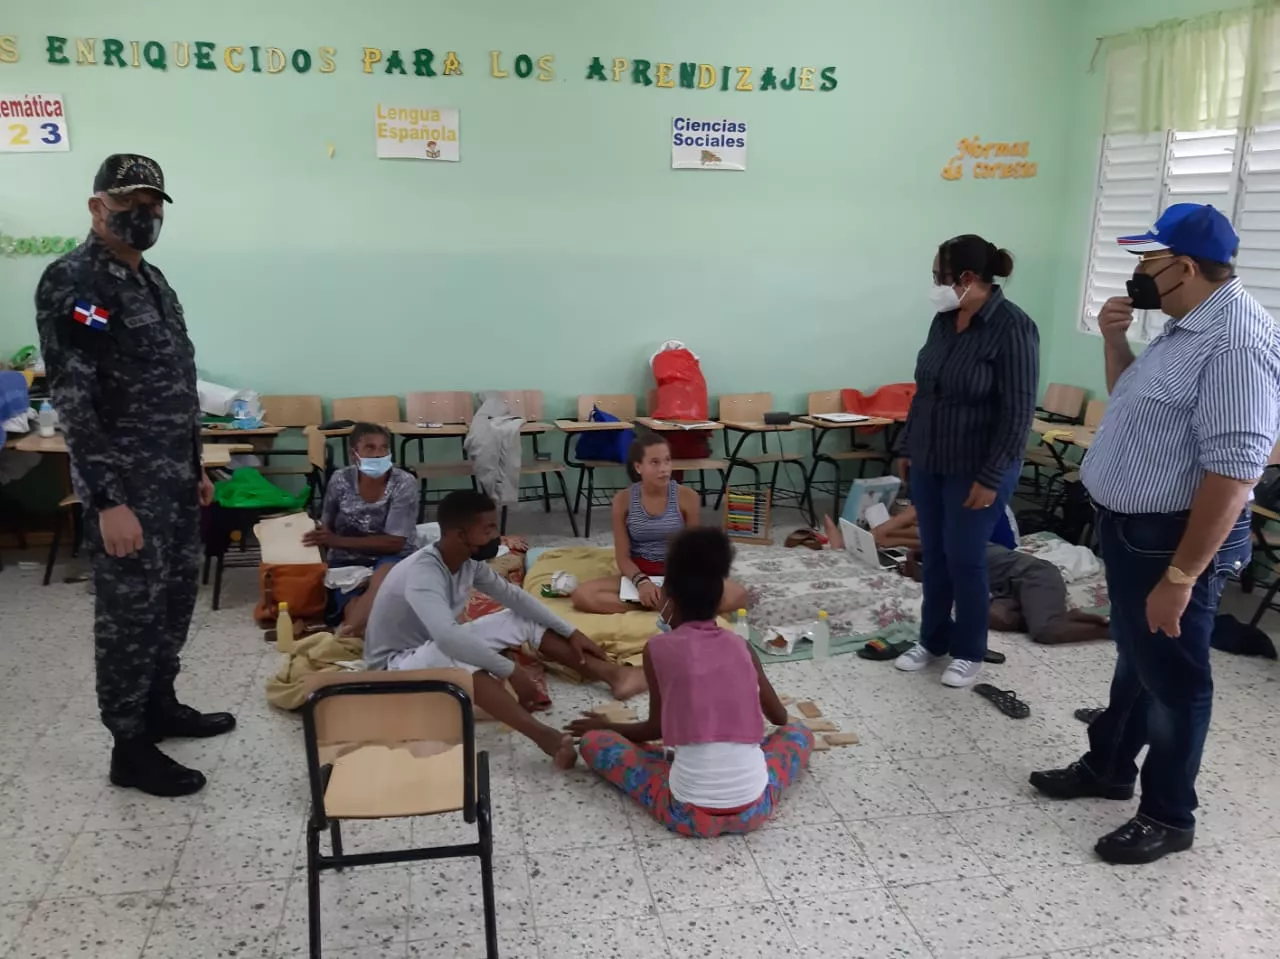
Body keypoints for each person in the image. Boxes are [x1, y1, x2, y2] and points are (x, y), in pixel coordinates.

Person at [1030, 204, 1280, 865]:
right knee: (1137, 660)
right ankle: (1108, 765)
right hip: (1133, 531)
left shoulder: (1237, 342)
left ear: (1186, 267)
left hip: (1173, 542)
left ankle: (1169, 813)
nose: (1137, 272)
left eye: (1149, 259)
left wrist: (1180, 576)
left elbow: (1232, 474)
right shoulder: (1185, 325)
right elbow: (1136, 407)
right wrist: (1115, 344)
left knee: (1176, 679)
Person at [34, 154, 234, 798]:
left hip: (173, 480)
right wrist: (108, 500)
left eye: (153, 206)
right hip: (126, 490)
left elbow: (175, 384)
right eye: (130, 204)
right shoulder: (75, 284)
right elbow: (75, 399)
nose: (143, 216)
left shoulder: (153, 281)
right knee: (128, 615)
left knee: (174, 603)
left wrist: (195, 465)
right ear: (97, 207)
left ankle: (160, 706)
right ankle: (129, 744)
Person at [364, 490, 647, 768]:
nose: (495, 536)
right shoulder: (423, 572)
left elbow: (516, 598)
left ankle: (615, 676)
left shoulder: (466, 561)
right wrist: (510, 671)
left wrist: (571, 631)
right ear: (460, 535)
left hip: (428, 653)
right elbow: (447, 637)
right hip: (393, 671)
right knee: (453, 647)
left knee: (523, 618)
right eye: (487, 529)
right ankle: (544, 737)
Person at [571, 528, 813, 837]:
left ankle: (682, 770)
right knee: (799, 733)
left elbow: (654, 730)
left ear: (668, 599)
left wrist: (607, 726)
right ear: (719, 600)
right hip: (754, 809)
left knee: (595, 743)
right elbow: (780, 719)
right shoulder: (742, 646)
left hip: (688, 814)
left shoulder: (657, 649)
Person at [893, 235, 1040, 687]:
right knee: (933, 554)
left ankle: (969, 650)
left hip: (978, 467)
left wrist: (992, 476)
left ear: (967, 278)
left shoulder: (1013, 327)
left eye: (940, 275)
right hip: (931, 458)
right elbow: (926, 391)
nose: (934, 284)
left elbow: (1018, 412)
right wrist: (905, 446)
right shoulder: (943, 320)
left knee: (965, 558)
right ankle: (933, 639)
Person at [822, 511, 1109, 645]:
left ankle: (1108, 631)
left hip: (1034, 576)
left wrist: (905, 555)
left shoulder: (957, 542)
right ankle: (1057, 615)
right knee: (989, 616)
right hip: (1006, 590)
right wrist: (911, 563)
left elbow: (938, 574)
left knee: (1045, 634)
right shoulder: (941, 551)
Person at [570, 433, 749, 614]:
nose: (664, 469)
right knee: (582, 595)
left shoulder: (688, 497)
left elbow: (693, 552)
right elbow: (622, 557)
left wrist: (678, 583)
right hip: (639, 573)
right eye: (655, 462)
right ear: (638, 467)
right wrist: (642, 583)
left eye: (667, 461)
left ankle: (656, 605)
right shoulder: (622, 500)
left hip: (678, 573)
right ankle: (668, 607)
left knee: (738, 594)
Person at [304, 422, 417, 636]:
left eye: (384, 448)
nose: (378, 454)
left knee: (383, 580)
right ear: (354, 453)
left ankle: (345, 632)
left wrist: (336, 541)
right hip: (346, 561)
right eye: (370, 448)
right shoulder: (340, 480)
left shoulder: (403, 483)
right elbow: (325, 528)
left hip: (391, 558)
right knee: (354, 608)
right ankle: (354, 628)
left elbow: (395, 542)